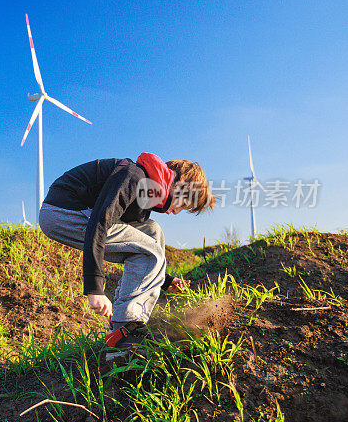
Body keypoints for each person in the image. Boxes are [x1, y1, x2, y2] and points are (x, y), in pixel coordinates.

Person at [38, 153, 215, 357]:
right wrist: (95, 288)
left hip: (79, 213)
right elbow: (99, 224)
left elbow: (133, 245)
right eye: (183, 204)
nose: (176, 212)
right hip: (63, 212)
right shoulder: (134, 178)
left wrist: (165, 281)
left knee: (152, 231)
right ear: (180, 184)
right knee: (149, 248)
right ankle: (125, 332)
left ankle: (126, 325)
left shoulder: (146, 197)